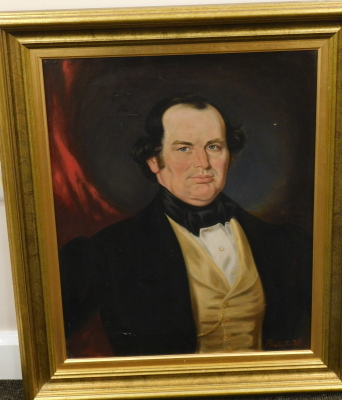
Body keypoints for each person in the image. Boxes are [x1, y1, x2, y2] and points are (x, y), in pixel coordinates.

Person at [60, 93, 312, 357]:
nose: (203, 163)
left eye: (214, 146)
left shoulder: (287, 243)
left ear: (229, 155)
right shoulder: (106, 251)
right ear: (154, 160)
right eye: (184, 148)